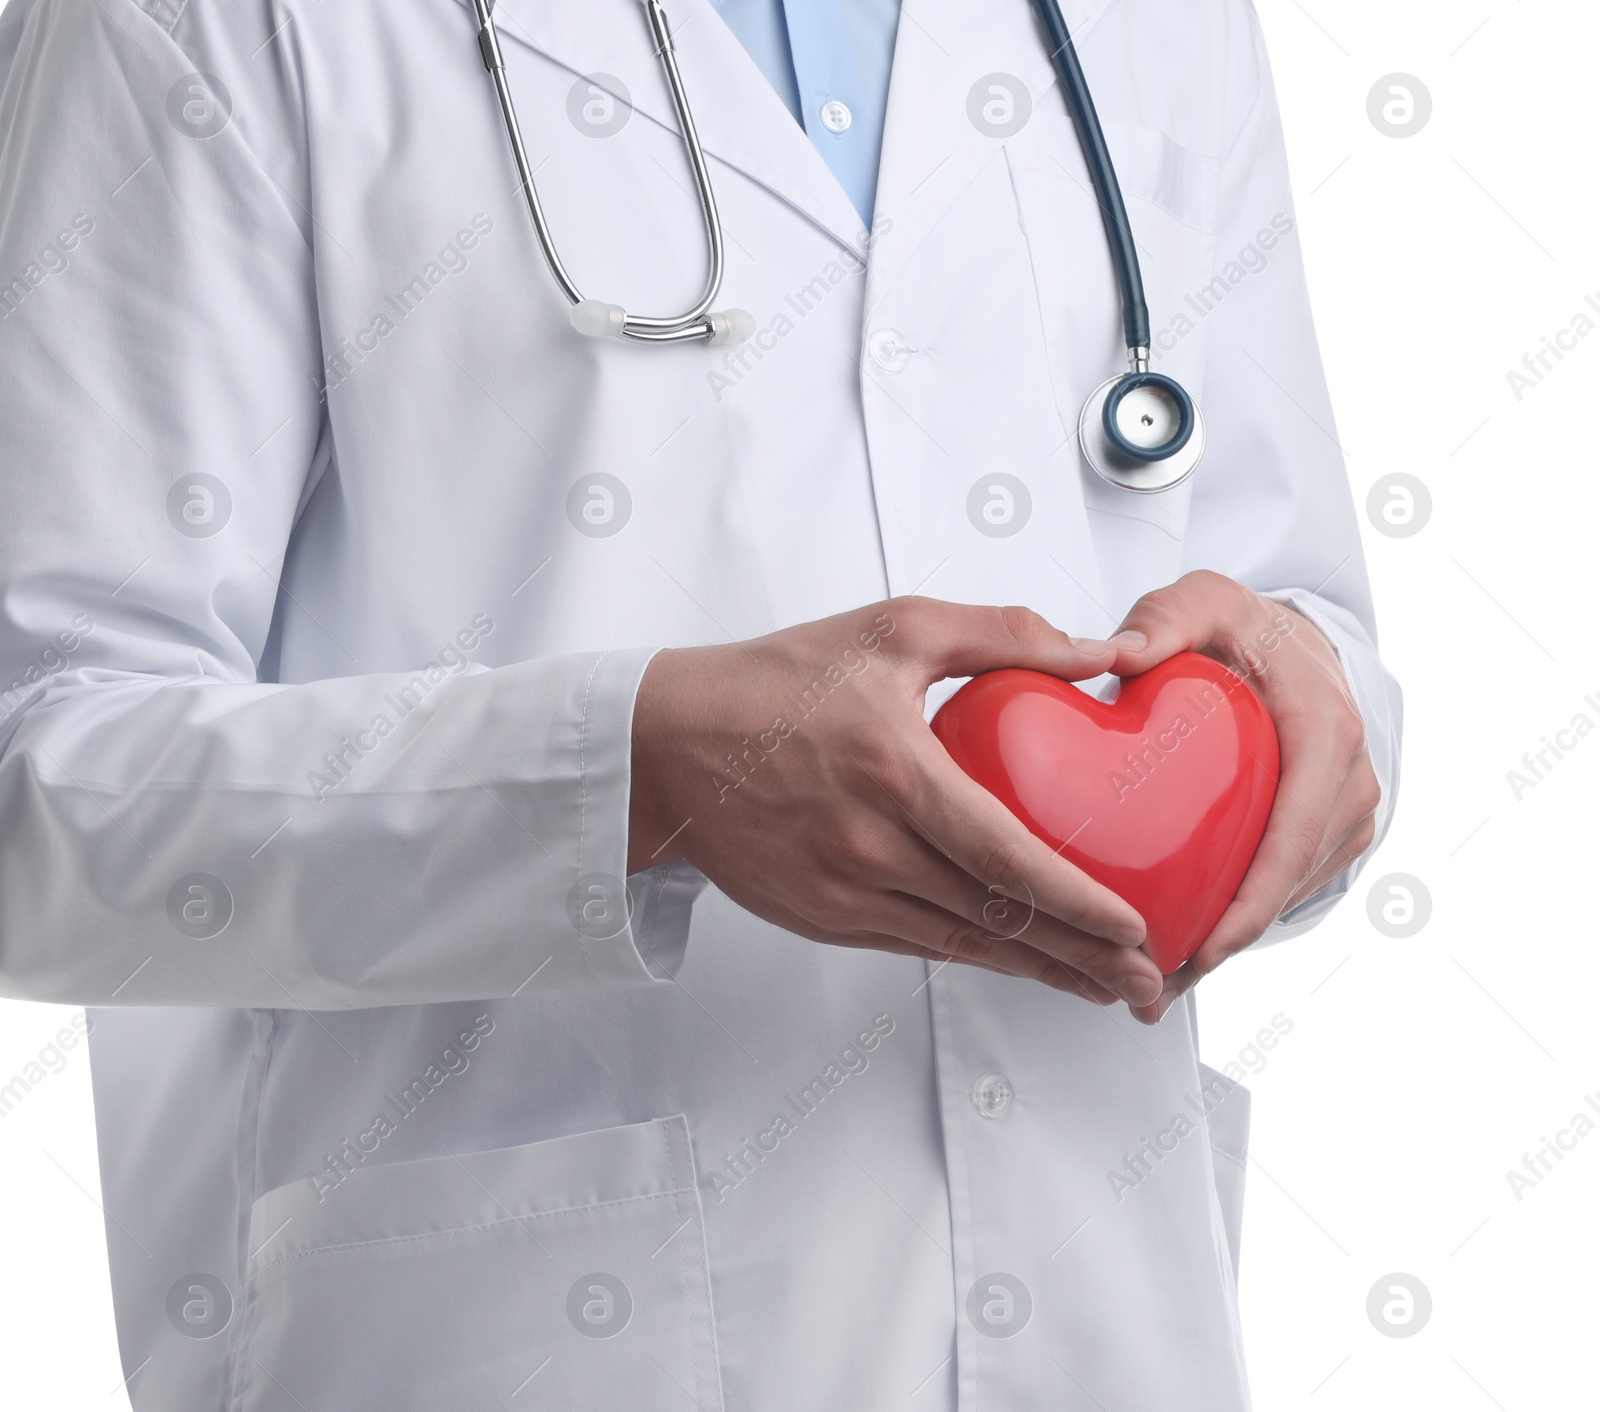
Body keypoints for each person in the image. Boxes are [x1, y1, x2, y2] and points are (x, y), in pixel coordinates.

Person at [0, 0, 1399, 1406]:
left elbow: (1305, 631)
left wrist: (1304, 730)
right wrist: (630, 774)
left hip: (1107, 1315)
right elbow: (36, 770)